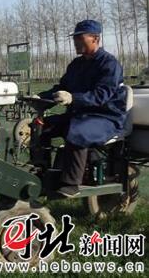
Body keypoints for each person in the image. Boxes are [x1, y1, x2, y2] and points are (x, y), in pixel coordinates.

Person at [38, 20, 127, 198]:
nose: (76, 42)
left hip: (106, 117)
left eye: (80, 38)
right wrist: (41, 97)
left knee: (78, 130)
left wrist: (73, 98)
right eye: (75, 38)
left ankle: (71, 184)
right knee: (40, 126)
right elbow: (62, 88)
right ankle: (42, 173)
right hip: (80, 115)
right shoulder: (76, 65)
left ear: (95, 39)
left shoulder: (109, 64)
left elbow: (101, 96)